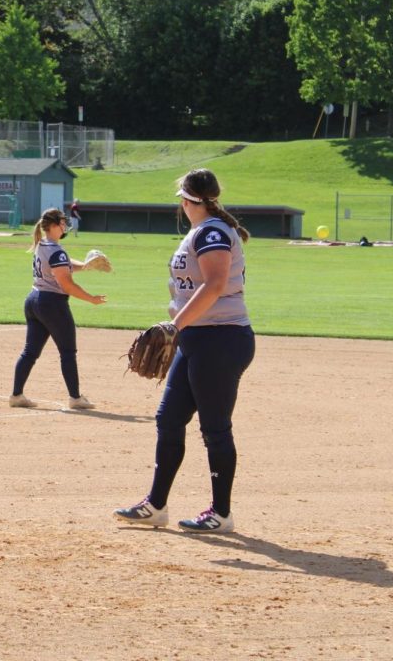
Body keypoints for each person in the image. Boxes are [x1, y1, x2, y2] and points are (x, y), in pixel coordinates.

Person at [114, 168, 254, 534]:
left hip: (221, 339)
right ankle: (156, 505)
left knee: (215, 429)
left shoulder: (211, 232)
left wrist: (175, 325)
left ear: (187, 199)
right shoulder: (200, 231)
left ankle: (220, 513)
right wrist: (181, 329)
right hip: (197, 339)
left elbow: (215, 284)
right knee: (169, 420)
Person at [10, 208, 106, 410]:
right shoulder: (56, 250)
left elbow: (64, 265)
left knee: (30, 352)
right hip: (52, 304)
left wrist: (86, 265)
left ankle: (17, 395)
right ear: (53, 226)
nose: (65, 226)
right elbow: (66, 284)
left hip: (34, 300)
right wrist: (91, 299)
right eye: (62, 222)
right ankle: (75, 398)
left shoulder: (42, 244)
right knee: (68, 352)